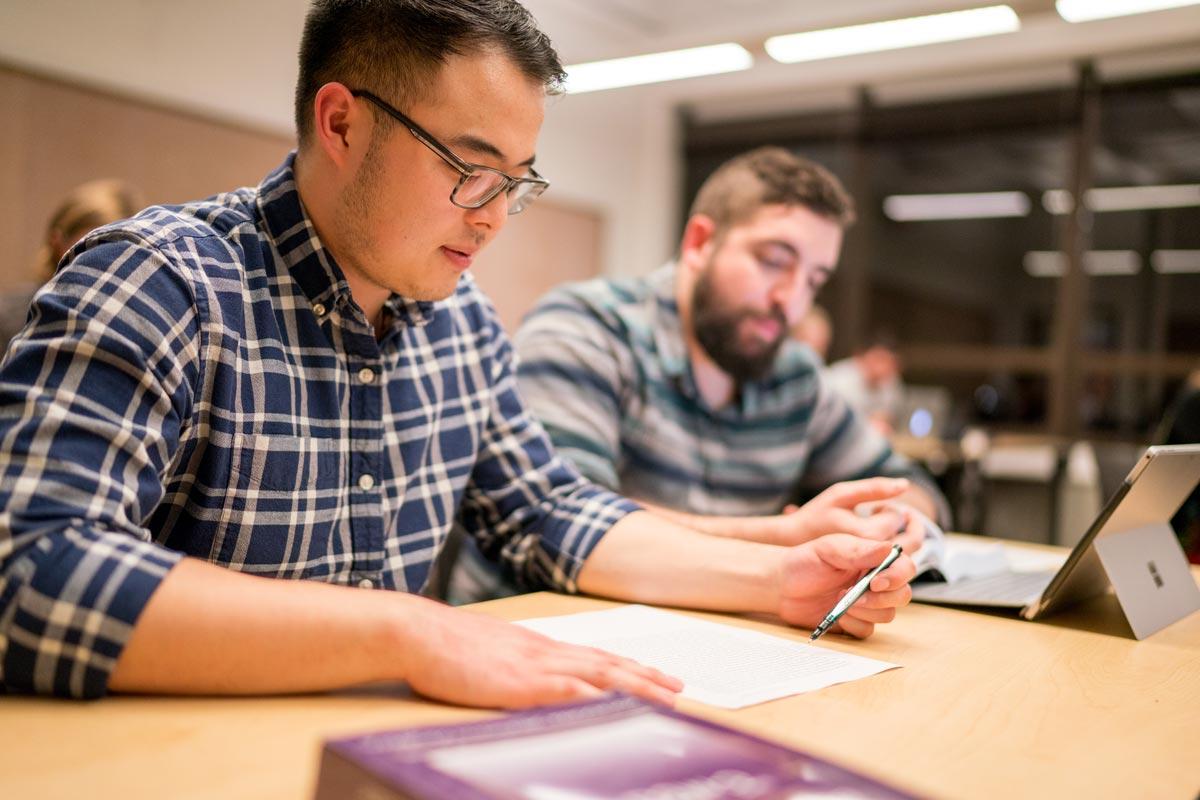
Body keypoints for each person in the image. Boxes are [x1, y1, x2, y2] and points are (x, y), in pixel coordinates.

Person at [0, 1, 917, 706]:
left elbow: (548, 512)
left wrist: (779, 580)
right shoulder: (160, 281)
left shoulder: (459, 320)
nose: (491, 215)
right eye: (468, 167)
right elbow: (31, 568)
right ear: (341, 121)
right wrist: (407, 632)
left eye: (516, 183)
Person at [450, 146, 946, 604]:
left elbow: (909, 482)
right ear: (700, 242)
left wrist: (896, 522)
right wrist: (780, 540)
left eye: (814, 280)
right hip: (540, 629)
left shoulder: (794, 375)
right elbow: (559, 515)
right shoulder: (589, 327)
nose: (791, 300)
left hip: (708, 634)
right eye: (775, 262)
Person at [0, 179, 143, 356]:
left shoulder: (133, 323)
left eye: (117, 253)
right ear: (57, 241)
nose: (103, 263)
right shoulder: (7, 319)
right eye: (91, 248)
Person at [826, 340, 905, 436]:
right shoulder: (838, 379)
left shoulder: (892, 382)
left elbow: (889, 417)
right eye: (879, 359)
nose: (884, 366)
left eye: (890, 361)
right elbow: (831, 420)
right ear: (860, 358)